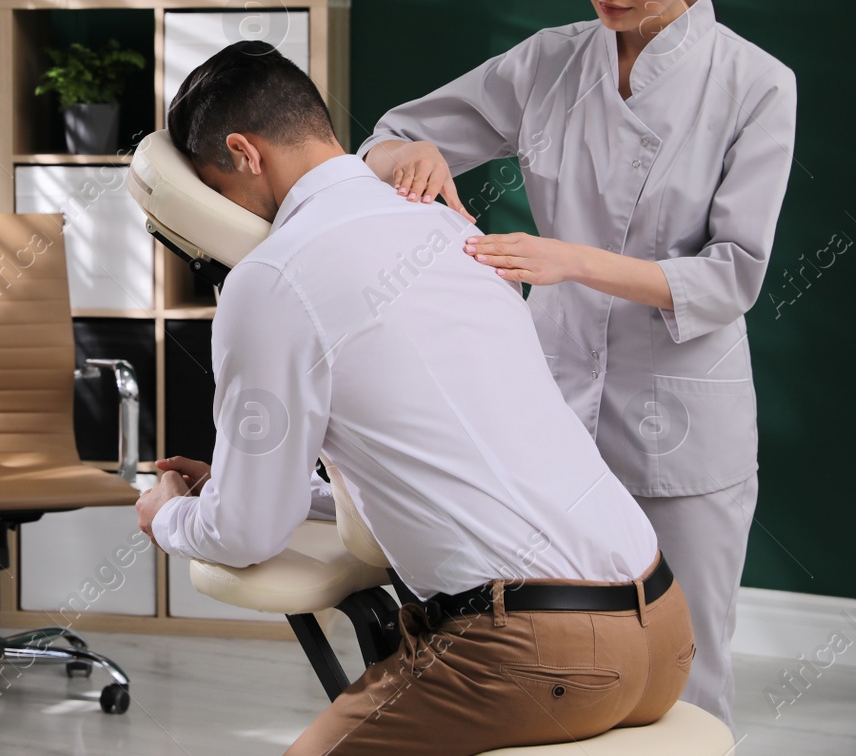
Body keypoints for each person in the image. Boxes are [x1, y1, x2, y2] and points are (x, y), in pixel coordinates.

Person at [136, 42, 694, 756]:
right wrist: (261, 486)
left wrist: (170, 513)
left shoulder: (272, 276)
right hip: (664, 625)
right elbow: (434, 450)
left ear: (244, 153)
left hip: (542, 654)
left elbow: (245, 535)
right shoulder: (449, 223)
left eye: (216, 186)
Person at [355, 0, 795, 728]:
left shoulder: (756, 84)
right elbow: (392, 133)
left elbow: (734, 273)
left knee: (687, 668)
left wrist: (570, 260)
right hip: (546, 408)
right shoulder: (548, 63)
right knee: (557, 657)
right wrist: (408, 152)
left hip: (683, 422)